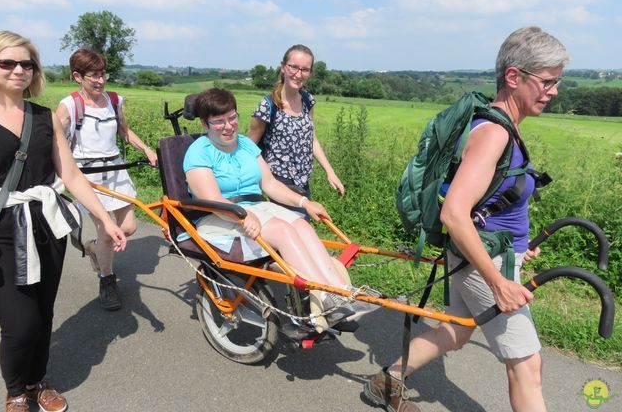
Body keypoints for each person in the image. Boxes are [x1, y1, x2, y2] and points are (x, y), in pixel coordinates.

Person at [364, 26, 569, 412]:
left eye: (557, 81)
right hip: (484, 265)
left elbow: (491, 200)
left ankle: (385, 381)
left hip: (485, 254)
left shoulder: (499, 126)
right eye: (547, 81)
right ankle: (386, 382)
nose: (554, 91)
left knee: (456, 330)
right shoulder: (494, 133)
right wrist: (498, 283)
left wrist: (521, 246)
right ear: (513, 77)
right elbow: (454, 213)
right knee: (528, 366)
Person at [0, 31, 127, 412]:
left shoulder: (43, 117)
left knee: (44, 312)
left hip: (46, 224)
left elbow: (73, 176)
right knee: (19, 323)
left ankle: (37, 380)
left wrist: (103, 219)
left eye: (26, 64)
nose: (18, 70)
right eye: (7, 63)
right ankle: (15, 392)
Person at [184, 87, 359, 325]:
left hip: (254, 209)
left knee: (302, 225)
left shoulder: (245, 144)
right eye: (219, 121)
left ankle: (340, 293)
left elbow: (270, 184)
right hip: (218, 216)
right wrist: (243, 216)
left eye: (232, 117)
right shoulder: (198, 153)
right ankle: (322, 297)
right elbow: (213, 201)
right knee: (282, 230)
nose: (228, 126)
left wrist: (304, 202)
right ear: (205, 124)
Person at [55, 49, 157, 311]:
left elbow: (124, 131)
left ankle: (94, 249)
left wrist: (145, 149)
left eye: (103, 74)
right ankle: (107, 279)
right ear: (77, 76)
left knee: (130, 227)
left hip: (116, 169)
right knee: (106, 231)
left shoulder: (114, 100)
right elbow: (53, 138)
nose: (100, 81)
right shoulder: (69, 105)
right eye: (94, 76)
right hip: (87, 176)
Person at [248, 44, 344, 217]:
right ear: (284, 67)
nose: (298, 74)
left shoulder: (307, 100)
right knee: (296, 229)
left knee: (299, 228)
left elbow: (312, 140)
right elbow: (249, 147)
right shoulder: (268, 106)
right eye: (293, 67)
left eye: (305, 69)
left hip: (302, 180)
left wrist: (330, 172)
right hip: (278, 182)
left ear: (310, 73)